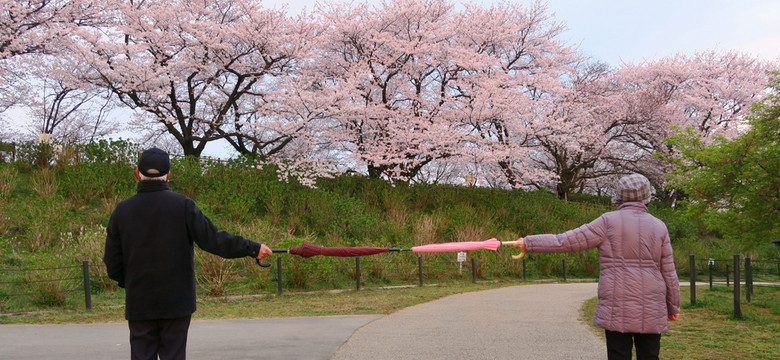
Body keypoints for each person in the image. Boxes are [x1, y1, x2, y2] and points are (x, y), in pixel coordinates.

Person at [104, 147, 272, 360]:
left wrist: (130, 282)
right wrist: (253, 248)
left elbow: (112, 262)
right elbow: (214, 240)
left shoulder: (122, 210)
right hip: (177, 300)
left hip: (140, 300)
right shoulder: (183, 205)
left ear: (137, 174)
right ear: (169, 176)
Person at [513, 174, 680, 360]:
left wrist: (529, 243)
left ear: (620, 195)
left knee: (618, 355)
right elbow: (669, 272)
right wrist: (673, 307)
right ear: (647, 196)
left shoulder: (607, 222)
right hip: (652, 304)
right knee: (649, 355)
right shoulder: (659, 226)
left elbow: (564, 241)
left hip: (617, 301)